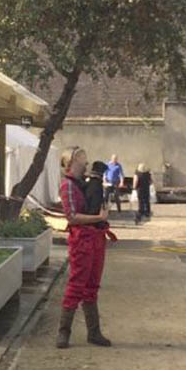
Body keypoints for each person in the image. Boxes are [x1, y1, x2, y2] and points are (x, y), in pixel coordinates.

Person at [56, 147, 113, 349]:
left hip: (95, 238)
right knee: (77, 284)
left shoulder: (84, 183)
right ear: (71, 162)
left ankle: (94, 332)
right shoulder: (68, 186)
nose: (86, 161)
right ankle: (64, 333)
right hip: (82, 239)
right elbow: (71, 216)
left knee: (92, 285)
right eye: (82, 157)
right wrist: (99, 217)